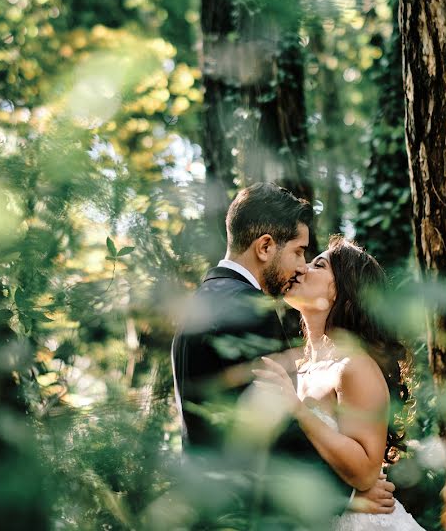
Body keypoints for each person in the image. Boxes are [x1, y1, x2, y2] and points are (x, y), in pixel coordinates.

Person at [171, 183, 396, 528]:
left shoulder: (201, 303)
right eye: (299, 252)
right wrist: (349, 497)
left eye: (313, 261)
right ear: (265, 247)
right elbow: (272, 441)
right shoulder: (248, 310)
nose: (301, 267)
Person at [255, 236, 425, 530]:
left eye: (318, 264)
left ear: (343, 292)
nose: (302, 268)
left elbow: (365, 474)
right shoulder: (301, 368)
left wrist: (297, 409)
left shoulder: (353, 366)